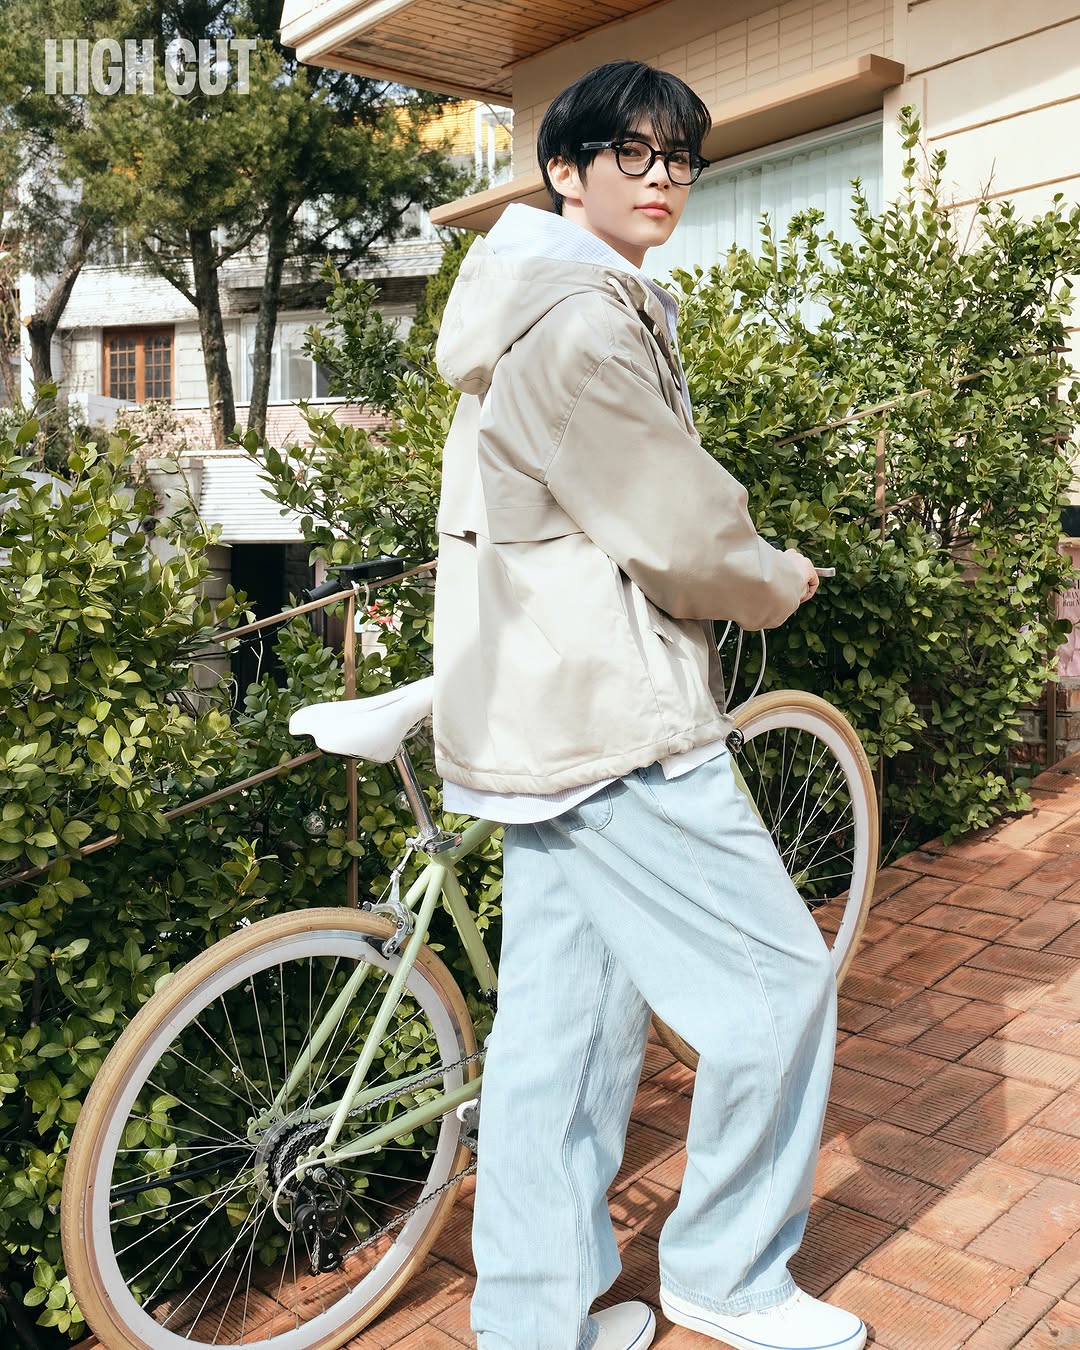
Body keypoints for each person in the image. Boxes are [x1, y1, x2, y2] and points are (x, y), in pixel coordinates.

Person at [431, 59, 865, 1350]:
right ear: (565, 170)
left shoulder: (528, 301)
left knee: (558, 1039)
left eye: (680, 157)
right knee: (779, 983)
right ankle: (729, 1272)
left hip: (540, 711)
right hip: (608, 715)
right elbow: (675, 529)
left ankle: (538, 1320)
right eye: (633, 152)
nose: (663, 176)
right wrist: (772, 578)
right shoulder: (578, 322)